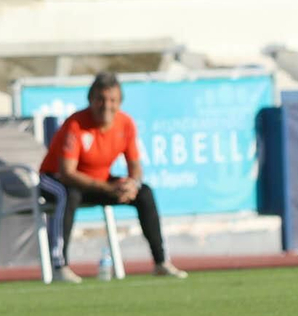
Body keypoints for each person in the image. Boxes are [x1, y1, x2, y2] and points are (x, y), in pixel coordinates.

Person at [37, 73, 188, 283]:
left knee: (144, 192)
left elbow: (135, 166)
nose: (106, 105)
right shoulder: (76, 124)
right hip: (55, 179)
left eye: (112, 100)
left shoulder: (125, 124)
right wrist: (109, 188)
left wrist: (131, 185)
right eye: (100, 99)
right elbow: (67, 173)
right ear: (91, 101)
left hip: (98, 184)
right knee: (67, 194)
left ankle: (161, 262)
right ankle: (59, 266)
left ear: (119, 102)